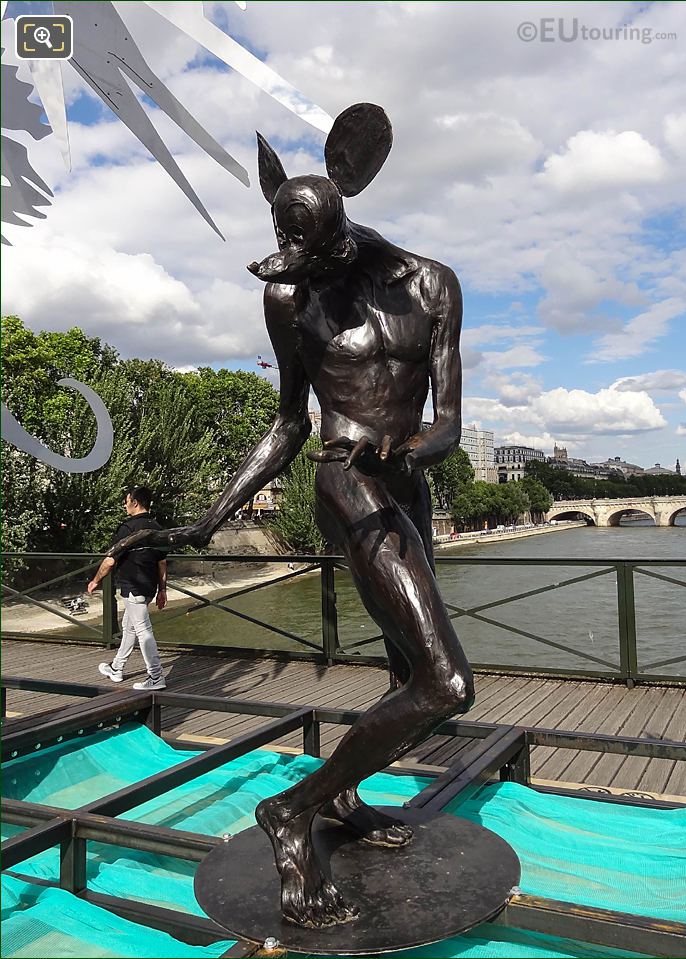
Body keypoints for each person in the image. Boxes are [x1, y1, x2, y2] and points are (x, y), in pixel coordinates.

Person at [107, 104, 475, 928]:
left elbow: (447, 418)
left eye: (317, 260)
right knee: (445, 683)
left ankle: (342, 790)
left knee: (402, 673)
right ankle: (293, 812)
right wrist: (210, 518)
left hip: (405, 487)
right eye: (292, 266)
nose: (303, 279)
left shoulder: (431, 284)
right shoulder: (288, 298)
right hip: (345, 486)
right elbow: (288, 421)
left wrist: (411, 452)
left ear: (347, 219)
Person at [88, 486, 168, 690]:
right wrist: (162, 590)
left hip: (133, 587)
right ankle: (116, 668)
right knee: (129, 627)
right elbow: (162, 563)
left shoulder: (128, 528)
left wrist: (95, 580)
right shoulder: (157, 528)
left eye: (126, 501)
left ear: (135, 502)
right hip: (149, 587)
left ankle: (156, 677)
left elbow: (110, 561)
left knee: (143, 631)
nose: (125, 505)